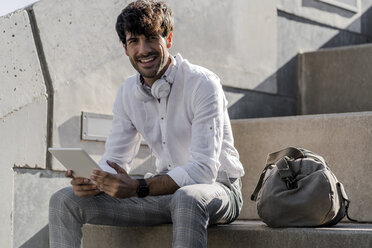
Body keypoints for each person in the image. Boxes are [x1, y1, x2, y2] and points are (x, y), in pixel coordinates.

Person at [49, 0, 245, 247]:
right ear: (125, 48)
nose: (143, 49)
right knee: (64, 200)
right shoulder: (128, 92)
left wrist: (139, 187)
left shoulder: (202, 84)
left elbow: (203, 171)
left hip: (218, 190)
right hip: (164, 194)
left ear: (169, 40)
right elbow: (115, 160)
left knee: (187, 198)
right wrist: (97, 181)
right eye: (134, 41)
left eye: (151, 38)